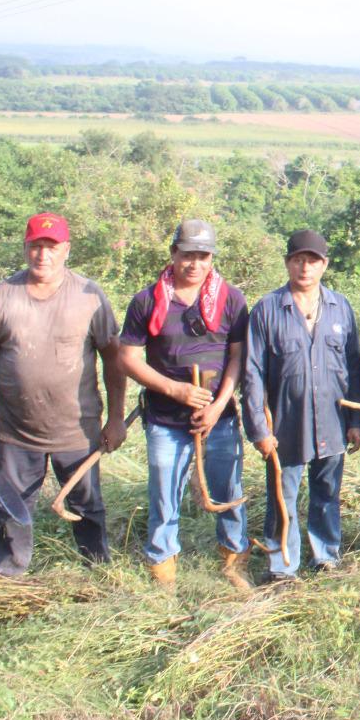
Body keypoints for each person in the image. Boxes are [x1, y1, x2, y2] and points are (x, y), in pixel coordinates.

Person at [0, 212, 127, 577]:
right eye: (36, 246)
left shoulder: (89, 296)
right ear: (25, 248)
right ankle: (9, 574)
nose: (43, 255)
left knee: (87, 504)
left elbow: (114, 361)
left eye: (51, 247)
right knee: (12, 507)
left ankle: (97, 571)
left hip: (77, 429)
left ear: (66, 250)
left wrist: (116, 418)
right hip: (17, 430)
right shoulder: (2, 295)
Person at [119, 219, 252, 589]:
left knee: (228, 490)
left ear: (212, 258)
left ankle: (234, 561)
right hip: (165, 419)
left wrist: (216, 406)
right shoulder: (147, 301)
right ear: (173, 254)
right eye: (187, 255)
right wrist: (173, 390)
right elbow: (127, 358)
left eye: (203, 256)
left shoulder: (232, 299)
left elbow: (237, 360)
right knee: (164, 493)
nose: (195, 264)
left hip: (219, 418)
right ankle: (163, 568)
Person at [242, 229, 360, 582]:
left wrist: (356, 419)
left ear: (324, 265)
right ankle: (282, 565)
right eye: (298, 260)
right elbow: (251, 374)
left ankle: (325, 556)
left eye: (312, 260)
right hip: (286, 423)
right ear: (287, 263)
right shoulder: (267, 310)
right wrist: (259, 431)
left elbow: (354, 367)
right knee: (283, 496)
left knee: (327, 492)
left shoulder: (340, 307)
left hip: (333, 420)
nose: (305, 267)